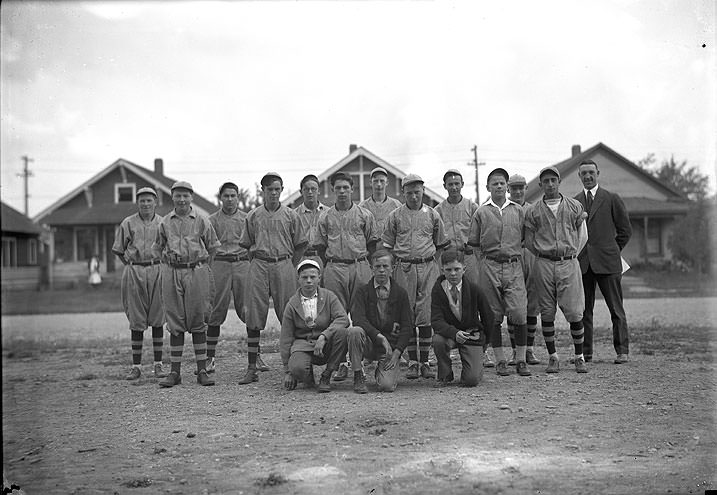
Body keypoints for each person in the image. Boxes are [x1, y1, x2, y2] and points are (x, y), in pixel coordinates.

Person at [238, 172, 308, 384]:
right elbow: (246, 243)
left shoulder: (290, 215)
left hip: (284, 264)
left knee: (289, 313)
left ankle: (292, 366)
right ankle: (252, 367)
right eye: (270, 189)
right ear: (263, 191)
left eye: (277, 189)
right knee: (254, 313)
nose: (274, 193)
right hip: (259, 264)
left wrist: (289, 264)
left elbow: (301, 243)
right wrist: (259, 258)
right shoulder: (253, 215)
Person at [153, 181, 220, 387]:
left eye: (185, 196)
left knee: (198, 318)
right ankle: (175, 372)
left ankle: (201, 370)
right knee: (175, 321)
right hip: (172, 272)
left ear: (191, 197)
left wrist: (201, 267)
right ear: (172, 197)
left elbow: (213, 247)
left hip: (196, 271)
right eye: (177, 196)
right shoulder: (164, 222)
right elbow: (157, 248)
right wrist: (169, 265)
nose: (182, 200)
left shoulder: (201, 221)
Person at [382, 173, 449, 380]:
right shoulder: (395, 215)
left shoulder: (432, 215)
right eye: (409, 192)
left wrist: (430, 261)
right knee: (407, 313)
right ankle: (412, 361)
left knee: (426, 313)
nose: (413, 196)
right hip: (404, 268)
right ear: (403, 193)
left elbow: (440, 244)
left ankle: (425, 361)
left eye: (417, 192)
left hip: (428, 266)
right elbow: (387, 246)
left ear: (423, 191)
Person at [524, 166, 589, 374]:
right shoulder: (533, 210)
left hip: (569, 261)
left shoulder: (574, 206)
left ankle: (579, 357)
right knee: (547, 310)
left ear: (559, 181)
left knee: (574, 310)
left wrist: (570, 255)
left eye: (553, 180)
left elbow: (582, 235)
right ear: (541, 184)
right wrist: (545, 254)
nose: (550, 184)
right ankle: (553, 357)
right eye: (546, 181)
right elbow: (529, 240)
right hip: (543, 262)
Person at [467, 168, 531, 377]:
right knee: (493, 315)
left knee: (519, 312)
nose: (499, 186)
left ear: (507, 187)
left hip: (513, 265)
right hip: (489, 266)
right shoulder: (481, 212)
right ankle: (500, 359)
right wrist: (486, 262)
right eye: (495, 183)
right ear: (488, 187)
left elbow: (524, 238)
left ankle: (520, 359)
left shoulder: (518, 211)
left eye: (502, 183)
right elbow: (474, 243)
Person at [316, 172, 379, 381]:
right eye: (338, 188)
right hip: (335, 267)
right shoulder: (324, 216)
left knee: (361, 314)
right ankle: (340, 362)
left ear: (352, 189)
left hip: (359, 265)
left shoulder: (364, 215)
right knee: (338, 316)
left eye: (346, 188)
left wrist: (363, 264)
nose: (342, 192)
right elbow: (320, 246)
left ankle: (359, 361)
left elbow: (372, 243)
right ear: (332, 190)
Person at [574, 159, 632, 364]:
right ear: (579, 176)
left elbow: (625, 231)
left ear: (597, 173)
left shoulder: (611, 198)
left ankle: (622, 350)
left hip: (608, 263)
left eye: (591, 172)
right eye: (584, 174)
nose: (588, 176)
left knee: (616, 309)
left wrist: (612, 250)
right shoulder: (575, 202)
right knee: (583, 310)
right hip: (584, 264)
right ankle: (586, 352)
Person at [111, 187, 166, 380]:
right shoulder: (128, 223)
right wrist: (131, 265)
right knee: (136, 319)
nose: (145, 204)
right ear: (138, 203)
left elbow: (168, 247)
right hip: (135, 270)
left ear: (155, 202)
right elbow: (118, 249)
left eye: (149, 200)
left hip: (157, 268)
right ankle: (136, 366)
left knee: (158, 317)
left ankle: (158, 365)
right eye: (142, 200)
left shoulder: (163, 223)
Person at [347, 249, 413, 393]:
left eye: (385, 266)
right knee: (354, 331)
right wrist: (378, 336)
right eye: (377, 267)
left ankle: (383, 372)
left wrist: (397, 353)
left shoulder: (400, 293)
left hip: (389, 347)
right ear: (371, 268)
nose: (381, 270)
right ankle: (358, 374)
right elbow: (358, 319)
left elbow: (408, 326)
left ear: (392, 268)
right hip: (370, 342)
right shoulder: (362, 291)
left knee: (386, 386)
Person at [280, 259, 349, 393]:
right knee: (297, 369)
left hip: (326, 344)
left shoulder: (329, 296)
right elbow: (285, 338)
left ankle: (327, 374)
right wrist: (288, 371)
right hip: (303, 345)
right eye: (304, 277)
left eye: (313, 277)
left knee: (343, 334)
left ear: (319, 278)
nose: (309, 281)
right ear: (298, 279)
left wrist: (324, 336)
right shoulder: (292, 304)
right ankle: (306, 375)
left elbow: (343, 318)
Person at [431, 249, 494, 387]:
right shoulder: (437, 290)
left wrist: (486, 341)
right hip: (449, 334)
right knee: (437, 340)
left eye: (457, 269)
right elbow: (436, 320)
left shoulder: (474, 289)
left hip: (471, 334)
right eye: (448, 270)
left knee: (471, 381)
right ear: (442, 270)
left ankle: (475, 368)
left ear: (464, 269)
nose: (453, 273)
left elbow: (488, 316)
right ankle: (445, 374)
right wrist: (454, 333)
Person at [206, 182, 250, 375]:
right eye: (226, 196)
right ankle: (210, 357)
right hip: (221, 263)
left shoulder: (247, 218)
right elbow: (207, 245)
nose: (230, 199)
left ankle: (255, 356)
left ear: (238, 197)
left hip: (242, 263)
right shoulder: (211, 220)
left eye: (233, 195)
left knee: (249, 308)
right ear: (220, 198)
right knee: (215, 310)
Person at [506, 174, 541, 366]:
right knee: (514, 305)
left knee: (532, 305)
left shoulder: (533, 209)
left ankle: (529, 349)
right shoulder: (505, 209)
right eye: (514, 188)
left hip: (532, 255)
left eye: (521, 188)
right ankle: (514, 350)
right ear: (508, 190)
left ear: (526, 188)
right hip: (512, 257)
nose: (517, 191)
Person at [434, 169, 480, 286]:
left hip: (468, 256)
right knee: (448, 288)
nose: (454, 187)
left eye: (457, 184)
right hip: (448, 256)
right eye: (450, 184)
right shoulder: (438, 211)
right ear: (445, 186)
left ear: (462, 184)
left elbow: (480, 231)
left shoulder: (473, 207)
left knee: (471, 287)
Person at [358, 167, 402, 237]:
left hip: (391, 246)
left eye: (382, 181)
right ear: (370, 183)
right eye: (375, 181)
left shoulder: (397, 205)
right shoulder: (362, 207)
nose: (379, 184)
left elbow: (402, 230)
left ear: (387, 182)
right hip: (370, 246)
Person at [294, 174, 327, 269]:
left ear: (319, 191)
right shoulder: (293, 215)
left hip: (323, 259)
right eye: (306, 189)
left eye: (313, 189)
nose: (310, 192)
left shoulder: (329, 214)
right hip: (301, 258)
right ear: (301, 192)